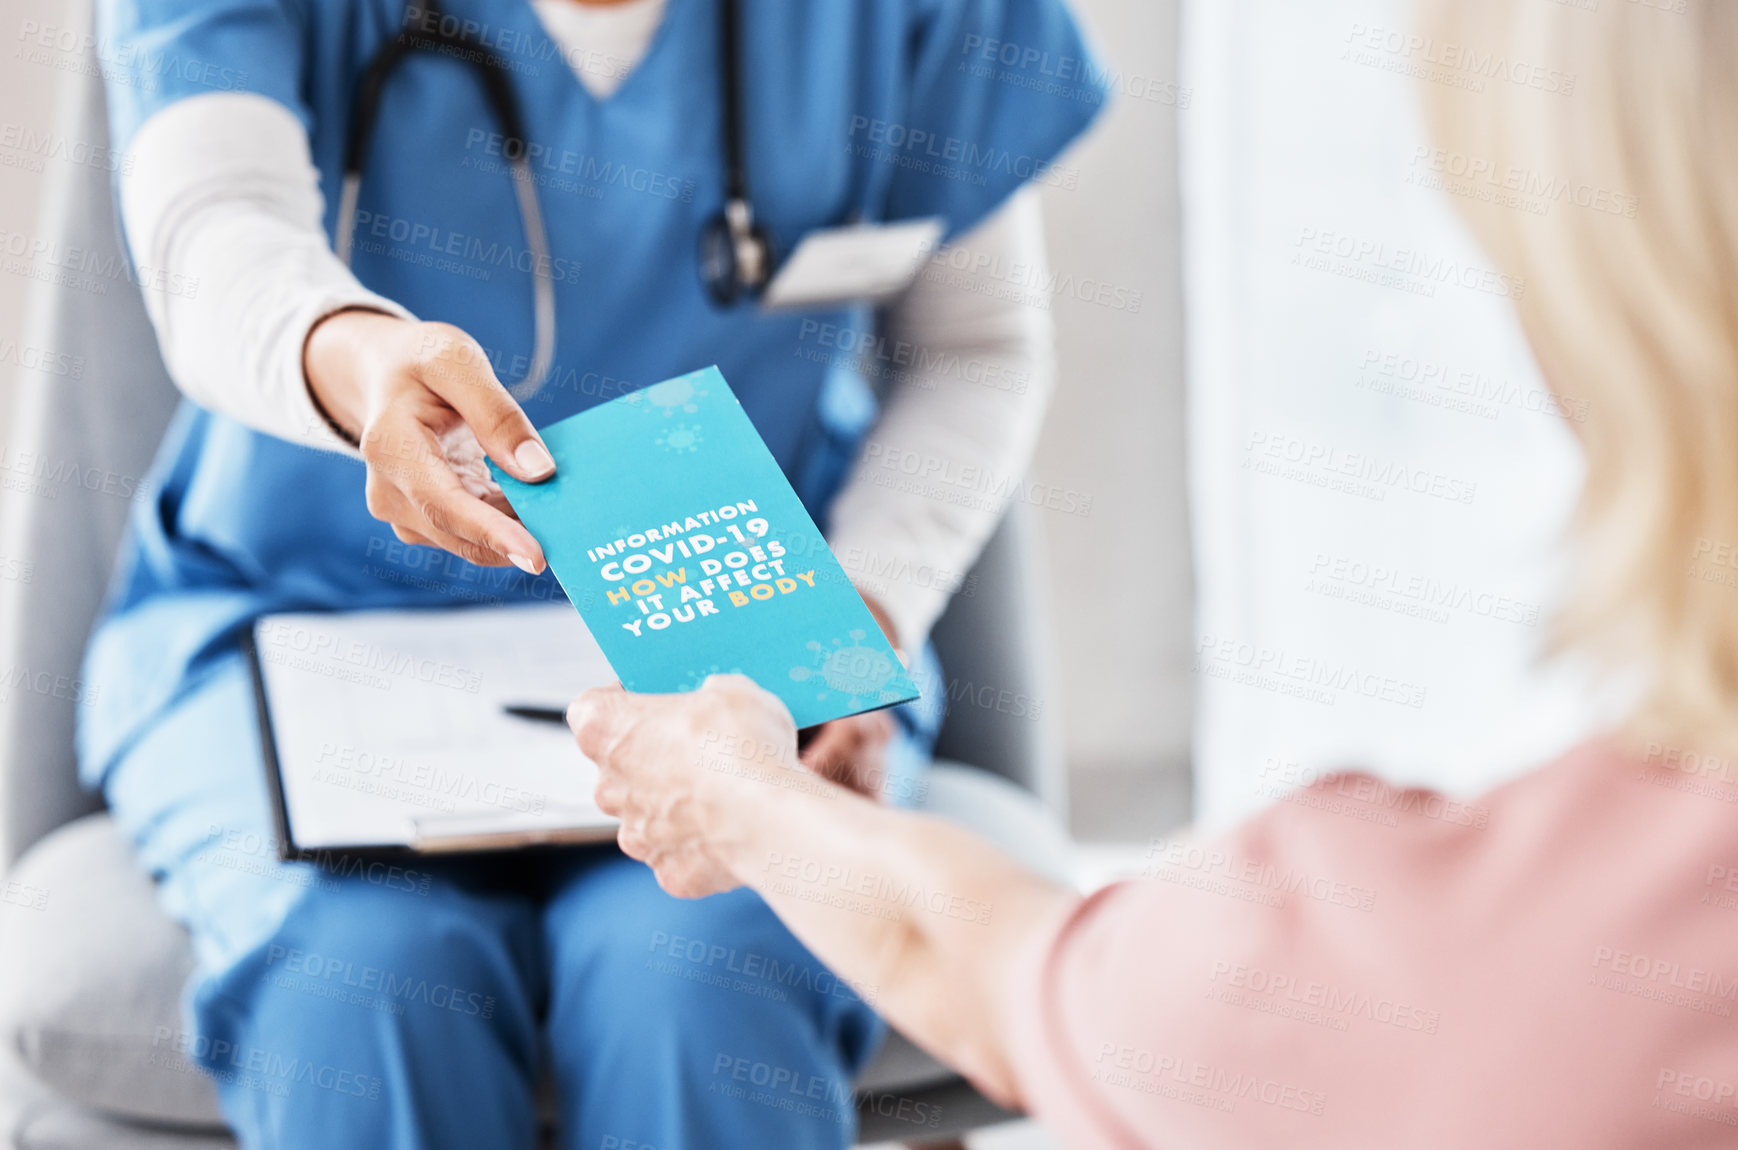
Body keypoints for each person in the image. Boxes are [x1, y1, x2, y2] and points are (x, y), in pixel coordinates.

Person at [566, 0, 1738, 1145]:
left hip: (784, 729)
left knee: (686, 980)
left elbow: (1003, 968)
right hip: (415, 699)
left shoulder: (1414, 975)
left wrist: (756, 777)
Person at [80, 0, 1107, 1145]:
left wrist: (858, 610)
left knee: (707, 969)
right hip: (299, 614)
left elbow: (975, 345)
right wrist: (353, 355)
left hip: (734, 638)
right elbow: (210, 230)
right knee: (360, 978)